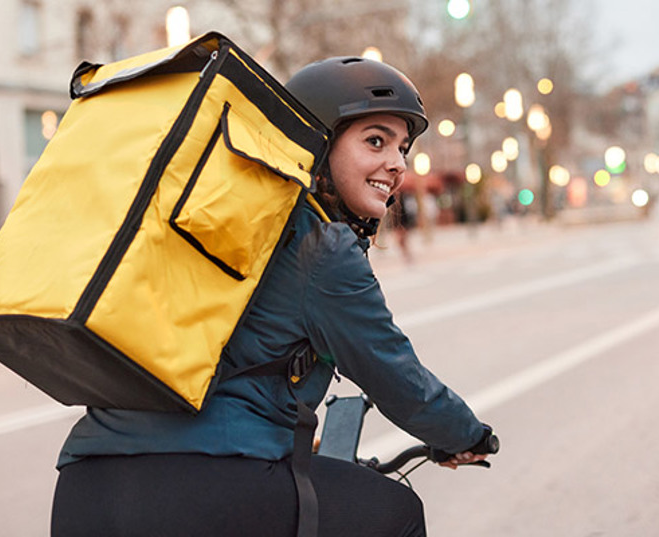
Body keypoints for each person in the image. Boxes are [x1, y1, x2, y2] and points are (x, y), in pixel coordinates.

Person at [51, 56, 495, 537]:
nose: (397, 164)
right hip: (203, 487)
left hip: (86, 485)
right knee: (396, 513)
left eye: (403, 147)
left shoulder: (210, 223)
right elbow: (394, 375)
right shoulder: (320, 247)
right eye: (375, 141)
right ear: (317, 146)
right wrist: (466, 436)